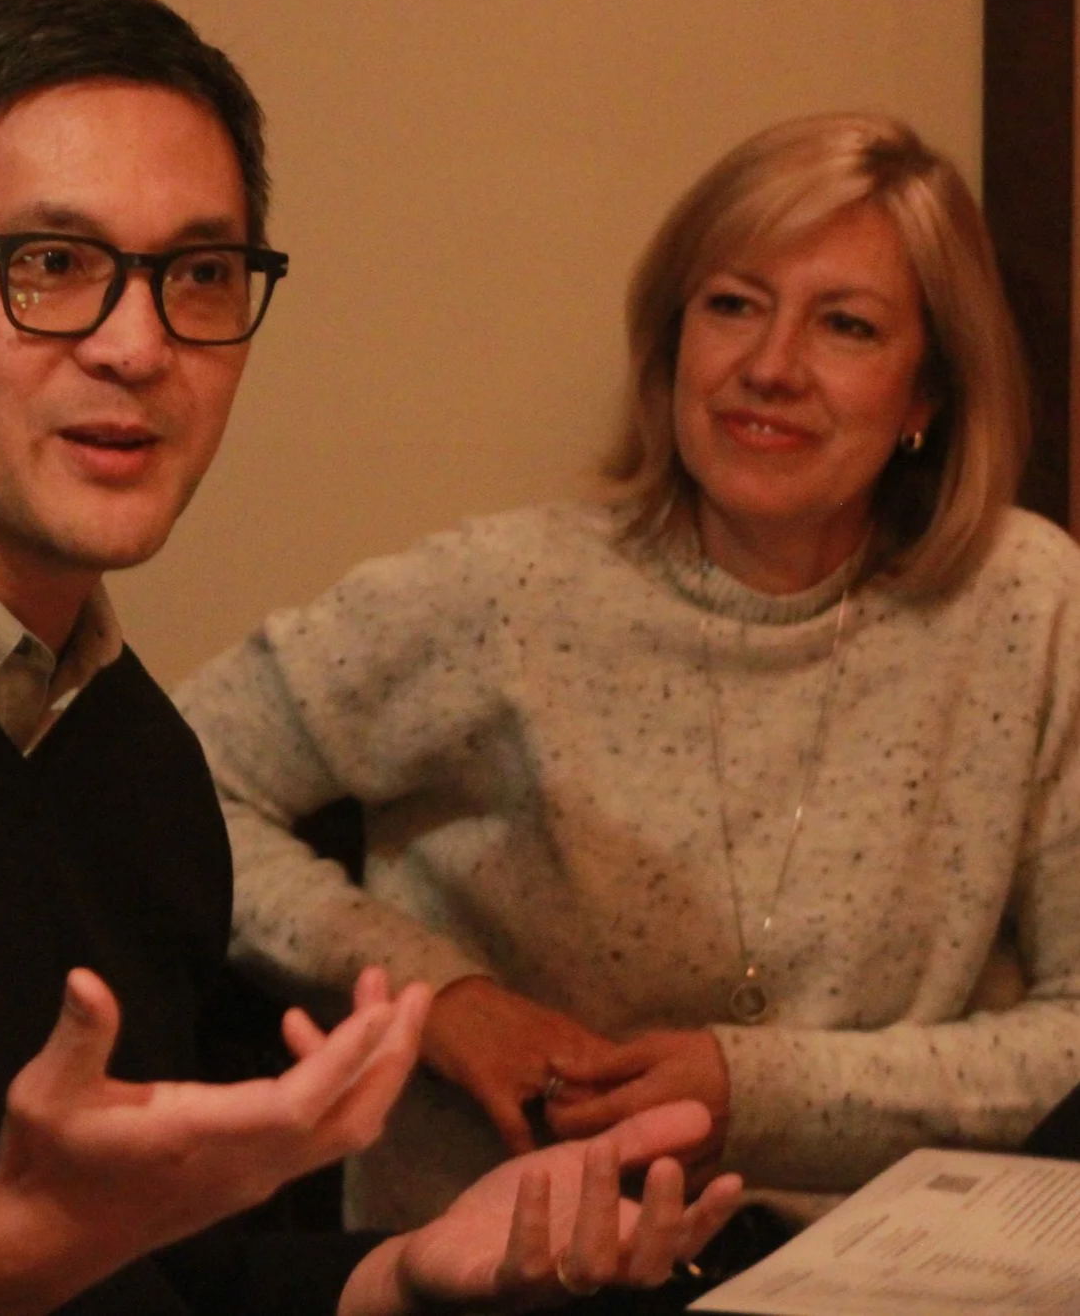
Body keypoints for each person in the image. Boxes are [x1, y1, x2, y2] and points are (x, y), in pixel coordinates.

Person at [0, 0, 743, 1315]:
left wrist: (402, 1268)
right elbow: (36, 1257)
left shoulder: (135, 755)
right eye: (51, 264)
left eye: (199, 275)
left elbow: (152, 1273)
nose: (138, 344)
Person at [178, 111, 1080, 1235]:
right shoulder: (503, 589)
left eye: (843, 325)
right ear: (671, 343)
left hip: (887, 1269)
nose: (768, 365)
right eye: (732, 304)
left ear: (923, 399)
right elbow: (166, 787)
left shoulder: (1030, 605)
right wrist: (433, 993)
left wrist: (755, 1086)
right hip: (500, 1262)